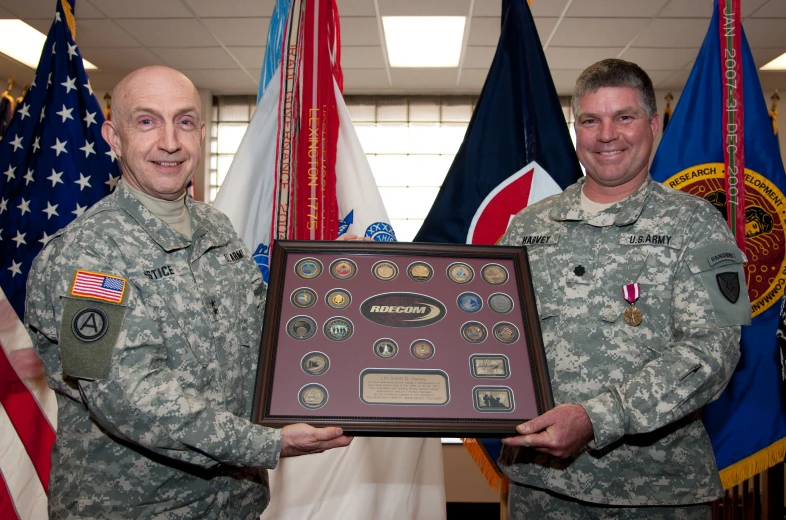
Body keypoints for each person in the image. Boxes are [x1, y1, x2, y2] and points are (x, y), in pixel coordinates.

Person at [24, 66, 352, 519]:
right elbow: (128, 396)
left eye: (183, 121)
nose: (169, 143)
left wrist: (338, 284)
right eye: (146, 121)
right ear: (112, 136)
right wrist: (268, 443)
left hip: (234, 504)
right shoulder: (86, 255)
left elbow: (267, 335)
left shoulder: (216, 227)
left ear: (200, 132)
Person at [499, 59, 751, 518]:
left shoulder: (699, 225)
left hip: (654, 492)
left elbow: (714, 352)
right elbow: (488, 329)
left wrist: (598, 417)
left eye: (624, 117)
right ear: (577, 129)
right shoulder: (526, 227)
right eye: (590, 120)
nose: (606, 134)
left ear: (653, 124)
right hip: (541, 488)